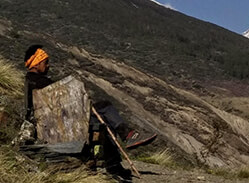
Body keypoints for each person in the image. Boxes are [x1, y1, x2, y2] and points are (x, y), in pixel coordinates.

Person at [24, 44, 156, 150]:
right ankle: (126, 137)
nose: (48, 66)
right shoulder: (41, 83)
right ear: (36, 64)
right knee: (105, 108)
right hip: (63, 121)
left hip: (57, 120)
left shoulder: (32, 81)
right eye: (45, 63)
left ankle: (117, 149)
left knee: (102, 117)